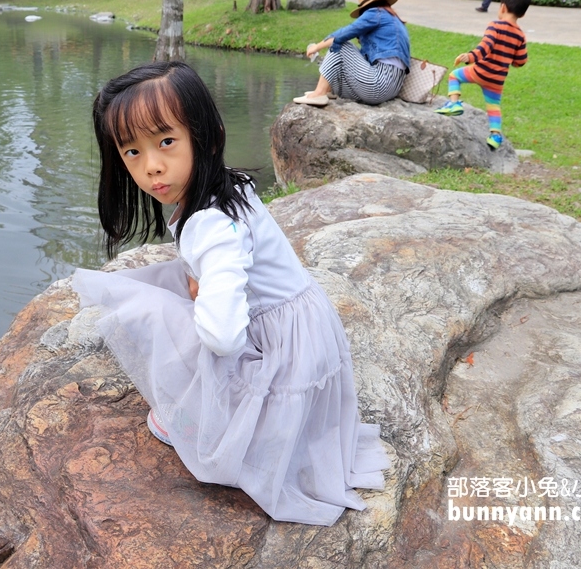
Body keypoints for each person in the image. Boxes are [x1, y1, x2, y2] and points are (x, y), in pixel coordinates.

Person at [73, 61, 390, 526]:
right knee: (166, 284)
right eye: (132, 152)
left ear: (207, 135)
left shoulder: (211, 224)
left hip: (280, 352)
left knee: (149, 310)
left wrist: (202, 302)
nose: (152, 166)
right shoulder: (229, 184)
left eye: (165, 142)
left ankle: (202, 420)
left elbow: (223, 337)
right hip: (305, 331)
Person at [435, 0, 531, 150]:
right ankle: (495, 136)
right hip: (497, 79)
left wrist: (469, 57)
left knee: (455, 76)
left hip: (480, 71)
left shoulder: (495, 26)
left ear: (503, 7)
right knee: (493, 106)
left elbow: (484, 48)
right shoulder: (520, 35)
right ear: (522, 14)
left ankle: (454, 104)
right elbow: (521, 61)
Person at [294, 0, 410, 107]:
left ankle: (319, 93)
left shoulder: (376, 12)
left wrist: (317, 47)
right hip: (391, 88)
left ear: (365, 8)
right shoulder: (392, 18)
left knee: (342, 45)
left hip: (380, 83)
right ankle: (327, 91)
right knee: (344, 57)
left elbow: (345, 33)